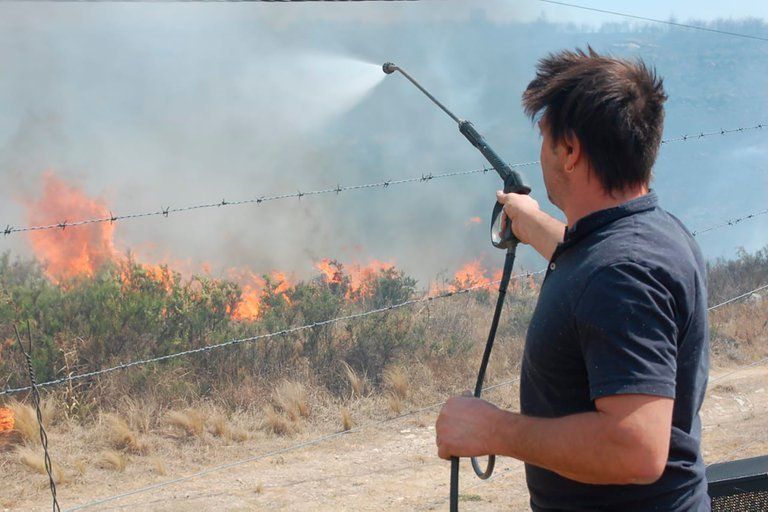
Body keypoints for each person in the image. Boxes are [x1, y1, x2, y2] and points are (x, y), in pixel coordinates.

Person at [435, 47, 710, 511]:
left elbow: (635, 450)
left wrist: (494, 429)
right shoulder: (648, 232)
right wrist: (530, 221)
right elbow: (594, 262)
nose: (540, 153)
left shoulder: (623, 273)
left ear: (570, 151)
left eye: (545, 139)